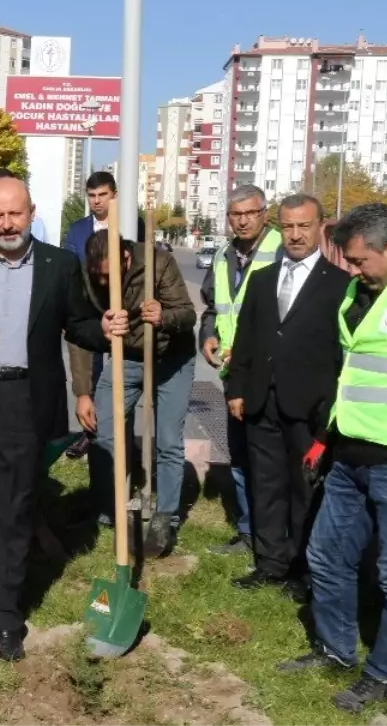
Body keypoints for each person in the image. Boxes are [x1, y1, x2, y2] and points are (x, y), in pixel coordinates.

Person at [278, 204, 387, 714]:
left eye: (360, 261)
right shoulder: (362, 292)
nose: (352, 271)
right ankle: (335, 650)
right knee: (326, 555)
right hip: (350, 455)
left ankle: (386, 675)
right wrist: (325, 438)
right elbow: (352, 374)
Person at [0, 175, 112, 661]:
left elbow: (79, 324)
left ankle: (7, 615)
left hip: (26, 398)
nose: (7, 223)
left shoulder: (59, 265)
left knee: (15, 504)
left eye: (15, 213)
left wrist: (106, 326)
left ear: (31, 212)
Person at [225, 194, 347, 602]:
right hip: (262, 400)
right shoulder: (262, 279)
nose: (295, 235)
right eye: (288, 226)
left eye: (303, 226)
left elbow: (341, 352)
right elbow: (246, 339)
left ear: (320, 227)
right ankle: (270, 563)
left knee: (304, 488)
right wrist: (236, 389)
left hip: (309, 406)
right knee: (266, 484)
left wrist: (329, 410)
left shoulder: (339, 285)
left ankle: (303, 569)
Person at [69, 229, 196, 556]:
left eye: (109, 275)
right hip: (126, 358)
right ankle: (109, 509)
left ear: (126, 258)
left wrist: (163, 316)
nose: (103, 281)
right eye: (98, 276)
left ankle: (165, 517)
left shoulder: (159, 262)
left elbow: (187, 313)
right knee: (102, 431)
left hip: (171, 358)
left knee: (167, 440)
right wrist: (82, 391)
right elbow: (81, 331)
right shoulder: (88, 275)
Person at [198, 183, 282, 555]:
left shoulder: (282, 250)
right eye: (236, 214)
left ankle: (273, 537)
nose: (243, 221)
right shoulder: (223, 255)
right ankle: (249, 532)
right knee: (240, 454)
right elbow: (214, 306)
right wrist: (207, 334)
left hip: (270, 371)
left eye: (251, 213)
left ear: (265, 213)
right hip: (233, 371)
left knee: (270, 461)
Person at [62, 170, 147, 460]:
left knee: (125, 378)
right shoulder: (77, 229)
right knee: (91, 376)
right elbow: (71, 270)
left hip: (125, 313)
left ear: (114, 195)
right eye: (92, 195)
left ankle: (125, 439)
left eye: (103, 195)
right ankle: (91, 436)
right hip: (89, 315)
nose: (97, 201)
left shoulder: (132, 226)